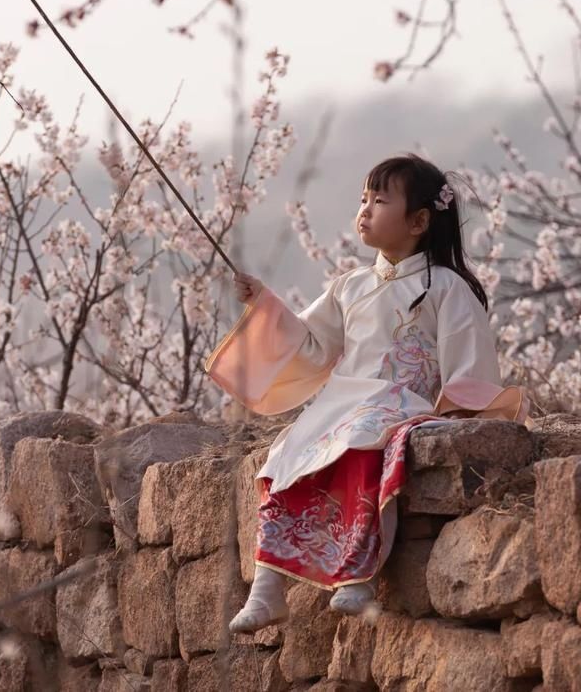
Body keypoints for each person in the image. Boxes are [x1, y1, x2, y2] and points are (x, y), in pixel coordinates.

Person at [204, 153, 531, 634]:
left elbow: (468, 359)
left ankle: (355, 576)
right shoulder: (349, 287)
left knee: (362, 440)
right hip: (343, 402)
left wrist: (460, 409)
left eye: (379, 200)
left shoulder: (445, 287)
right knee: (284, 456)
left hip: (402, 402)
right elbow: (311, 344)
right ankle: (266, 589)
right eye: (363, 199)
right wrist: (265, 304)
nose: (364, 209)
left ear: (419, 221)